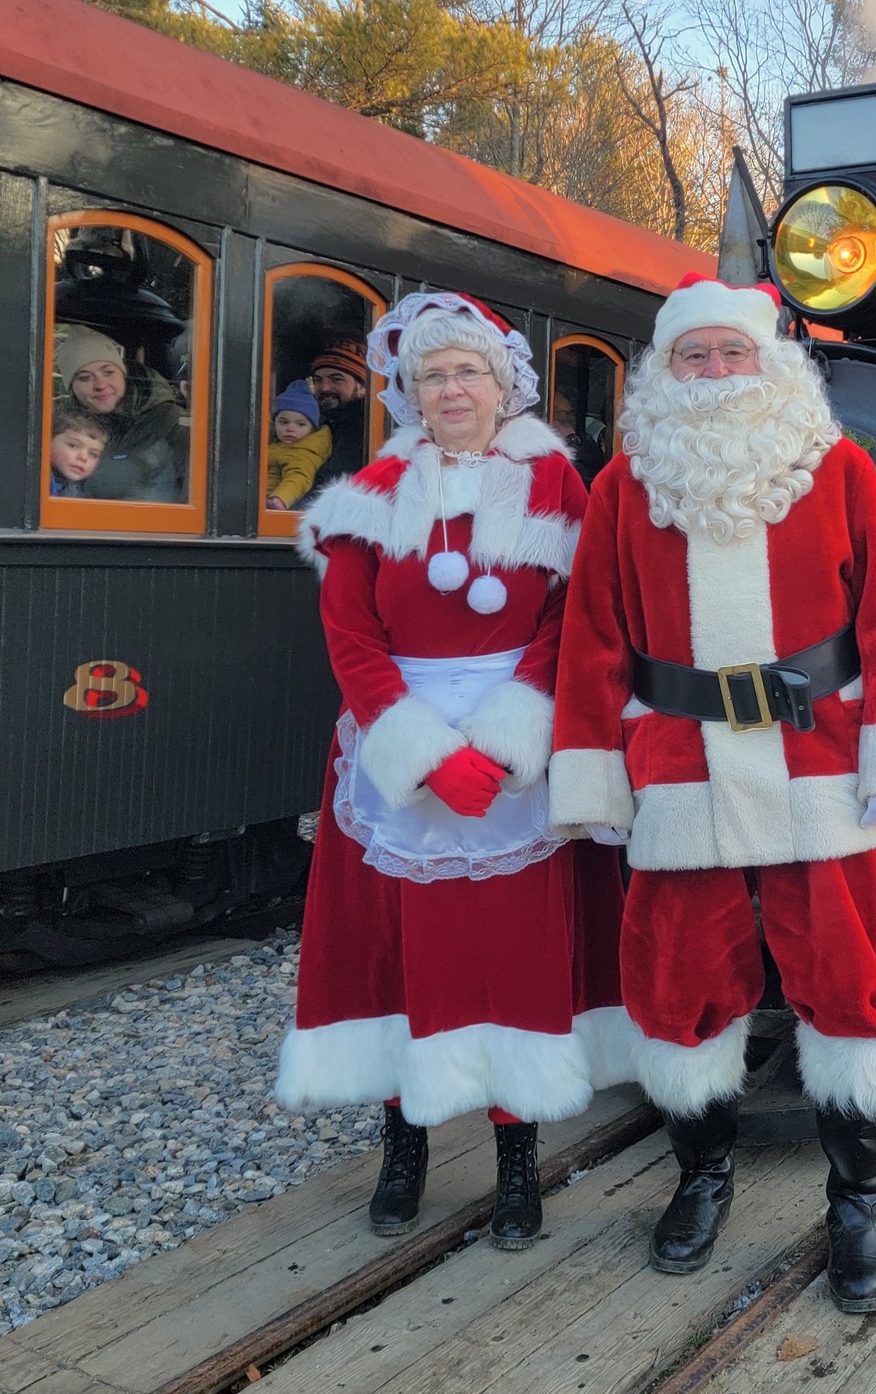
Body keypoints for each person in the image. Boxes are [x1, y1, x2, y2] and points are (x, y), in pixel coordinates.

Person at [550, 274, 876, 1314]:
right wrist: (594, 767)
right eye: (696, 356)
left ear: (770, 364)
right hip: (678, 764)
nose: (718, 371)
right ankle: (701, 1174)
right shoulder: (623, 485)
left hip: (817, 755)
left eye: (734, 353)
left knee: (855, 986)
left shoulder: (837, 467)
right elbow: (593, 639)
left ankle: (858, 1200)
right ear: (665, 370)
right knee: (675, 983)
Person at [275, 293, 635, 1246]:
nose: (451, 389)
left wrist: (509, 740)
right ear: (410, 391)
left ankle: (518, 1160)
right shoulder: (372, 491)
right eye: (432, 375)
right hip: (401, 756)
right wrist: (420, 751)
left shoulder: (557, 485)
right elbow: (350, 631)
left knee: (510, 955)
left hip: (516, 752)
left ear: (502, 381)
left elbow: (576, 617)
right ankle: (407, 1145)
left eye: (467, 371)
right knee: (402, 951)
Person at [54, 322, 189, 503]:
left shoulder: (171, 423)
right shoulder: (63, 428)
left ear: (123, 374)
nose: (101, 385)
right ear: (72, 388)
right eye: (85, 377)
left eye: (108, 372)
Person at [310, 339, 372, 484]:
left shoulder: (362, 431)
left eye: (336, 380)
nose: (324, 388)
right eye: (318, 380)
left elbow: (332, 481)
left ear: (362, 387)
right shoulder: (305, 423)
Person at [266, 379, 332, 509]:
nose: (290, 428)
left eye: (300, 424)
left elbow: (299, 477)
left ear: (312, 428)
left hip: (272, 505)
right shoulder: (277, 446)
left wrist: (280, 499)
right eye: (283, 422)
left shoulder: (304, 452)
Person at [48, 402, 109, 497]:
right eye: (73, 446)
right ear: (48, 441)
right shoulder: (38, 481)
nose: (83, 457)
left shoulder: (80, 491)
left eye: (93, 454)